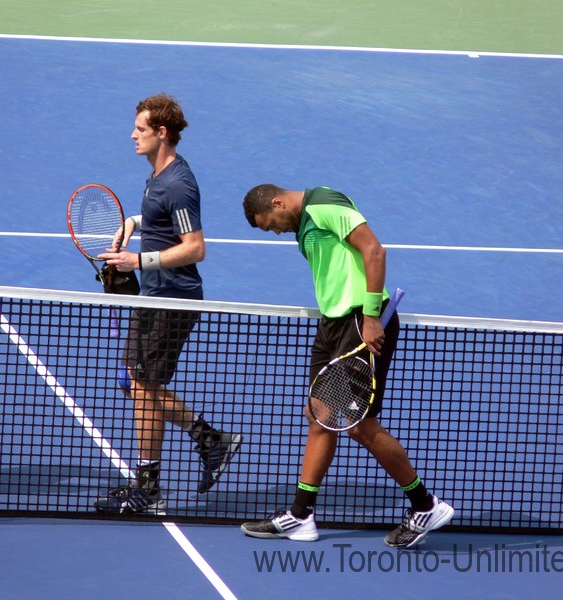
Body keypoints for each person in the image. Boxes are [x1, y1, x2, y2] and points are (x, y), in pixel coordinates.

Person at [239, 184, 453, 548]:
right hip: (333, 325)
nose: (275, 230)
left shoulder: (323, 204)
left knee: (358, 426)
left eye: (271, 223)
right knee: (319, 414)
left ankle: (425, 505)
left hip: (359, 323)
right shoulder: (306, 220)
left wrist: (371, 316)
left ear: (277, 203)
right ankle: (301, 515)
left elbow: (374, 250)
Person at [94, 94, 242, 515]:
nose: (132, 135)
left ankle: (154, 485)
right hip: (154, 296)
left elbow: (194, 248)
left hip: (172, 300)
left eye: (140, 129)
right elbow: (161, 220)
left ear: (161, 133)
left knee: (142, 387)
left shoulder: (177, 183)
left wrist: (138, 259)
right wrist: (132, 224)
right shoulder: (157, 176)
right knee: (136, 383)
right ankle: (206, 443)